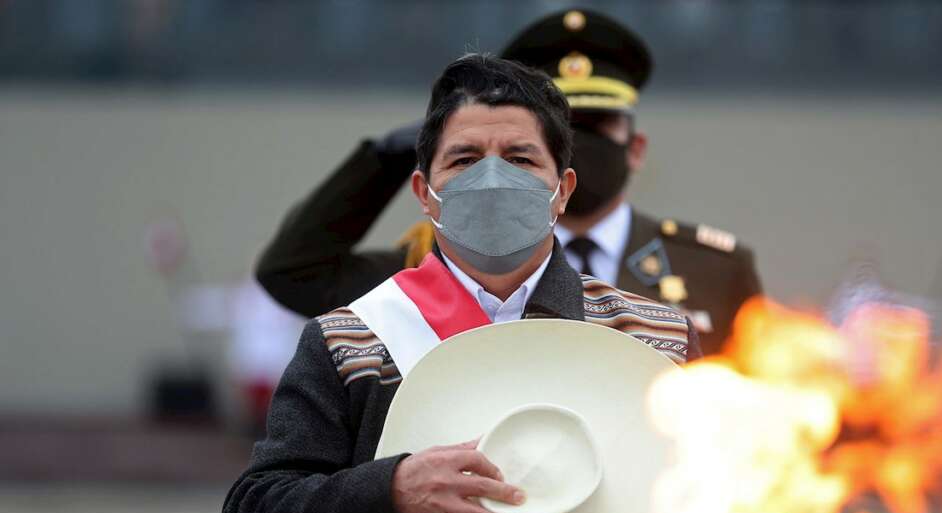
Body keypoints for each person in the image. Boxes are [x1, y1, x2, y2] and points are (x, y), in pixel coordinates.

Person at [223, 54, 699, 513]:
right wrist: (391, 495)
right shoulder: (352, 339)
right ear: (424, 192)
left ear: (562, 189)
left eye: (522, 159)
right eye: (465, 160)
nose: (493, 179)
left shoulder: (653, 339)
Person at [254, 8, 761, 354]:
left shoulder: (714, 269)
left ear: (636, 147)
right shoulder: (444, 264)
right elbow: (294, 274)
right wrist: (382, 159)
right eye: (564, 128)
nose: (580, 142)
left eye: (596, 126)